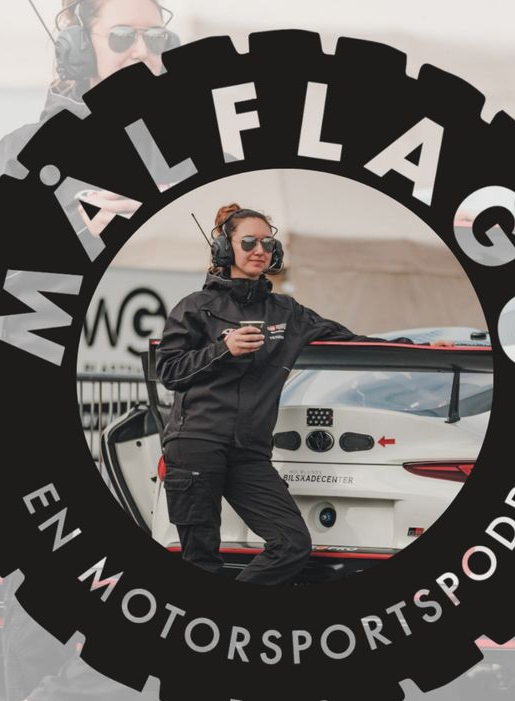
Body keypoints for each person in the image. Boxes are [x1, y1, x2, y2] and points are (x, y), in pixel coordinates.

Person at [0, 2, 201, 701]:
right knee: (53, 606)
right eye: (120, 36)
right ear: (76, 45)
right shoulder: (23, 155)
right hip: (49, 426)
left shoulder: (184, 152)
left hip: (167, 423)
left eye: (154, 36)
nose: (139, 49)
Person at [155, 203, 451, 586]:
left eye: (267, 242)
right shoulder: (194, 308)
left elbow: (353, 340)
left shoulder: (287, 312)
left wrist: (423, 348)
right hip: (196, 445)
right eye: (249, 242)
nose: (260, 250)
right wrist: (224, 349)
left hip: (249, 453)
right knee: (201, 561)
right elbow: (169, 370)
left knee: (292, 544)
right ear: (225, 248)